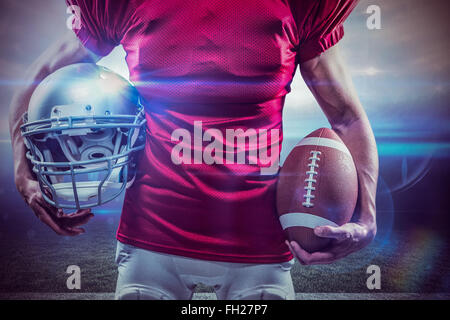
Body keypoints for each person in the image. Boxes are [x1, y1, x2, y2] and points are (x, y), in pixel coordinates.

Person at [9, 0, 378, 300]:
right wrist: (22, 168)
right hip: (152, 237)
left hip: (257, 243)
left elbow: (346, 117)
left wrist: (367, 217)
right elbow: (42, 77)